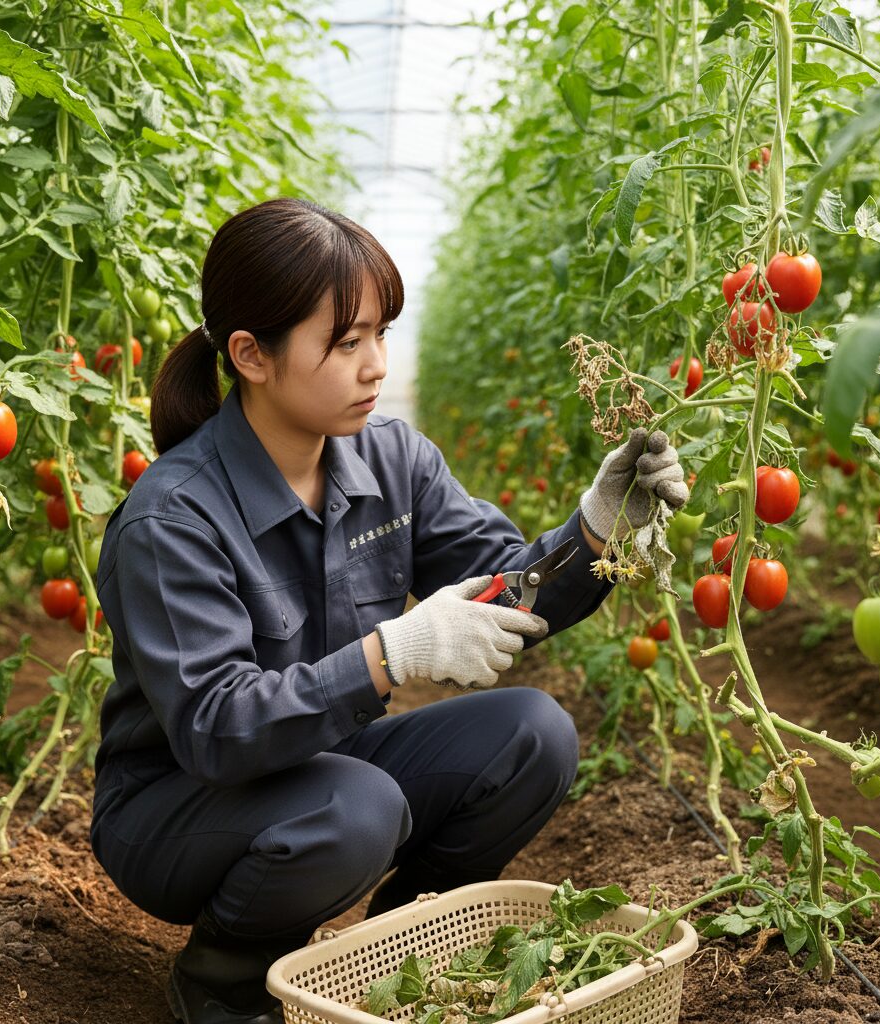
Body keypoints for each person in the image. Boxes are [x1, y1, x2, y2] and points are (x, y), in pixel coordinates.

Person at [88, 198, 675, 1024]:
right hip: (177, 805)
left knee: (533, 735)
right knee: (356, 808)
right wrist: (392, 652)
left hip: (323, 765)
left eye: (381, 335)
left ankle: (406, 950)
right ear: (251, 355)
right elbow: (217, 727)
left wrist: (597, 532)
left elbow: (504, 591)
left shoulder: (392, 458)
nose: (375, 367)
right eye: (346, 343)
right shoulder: (174, 518)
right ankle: (223, 981)